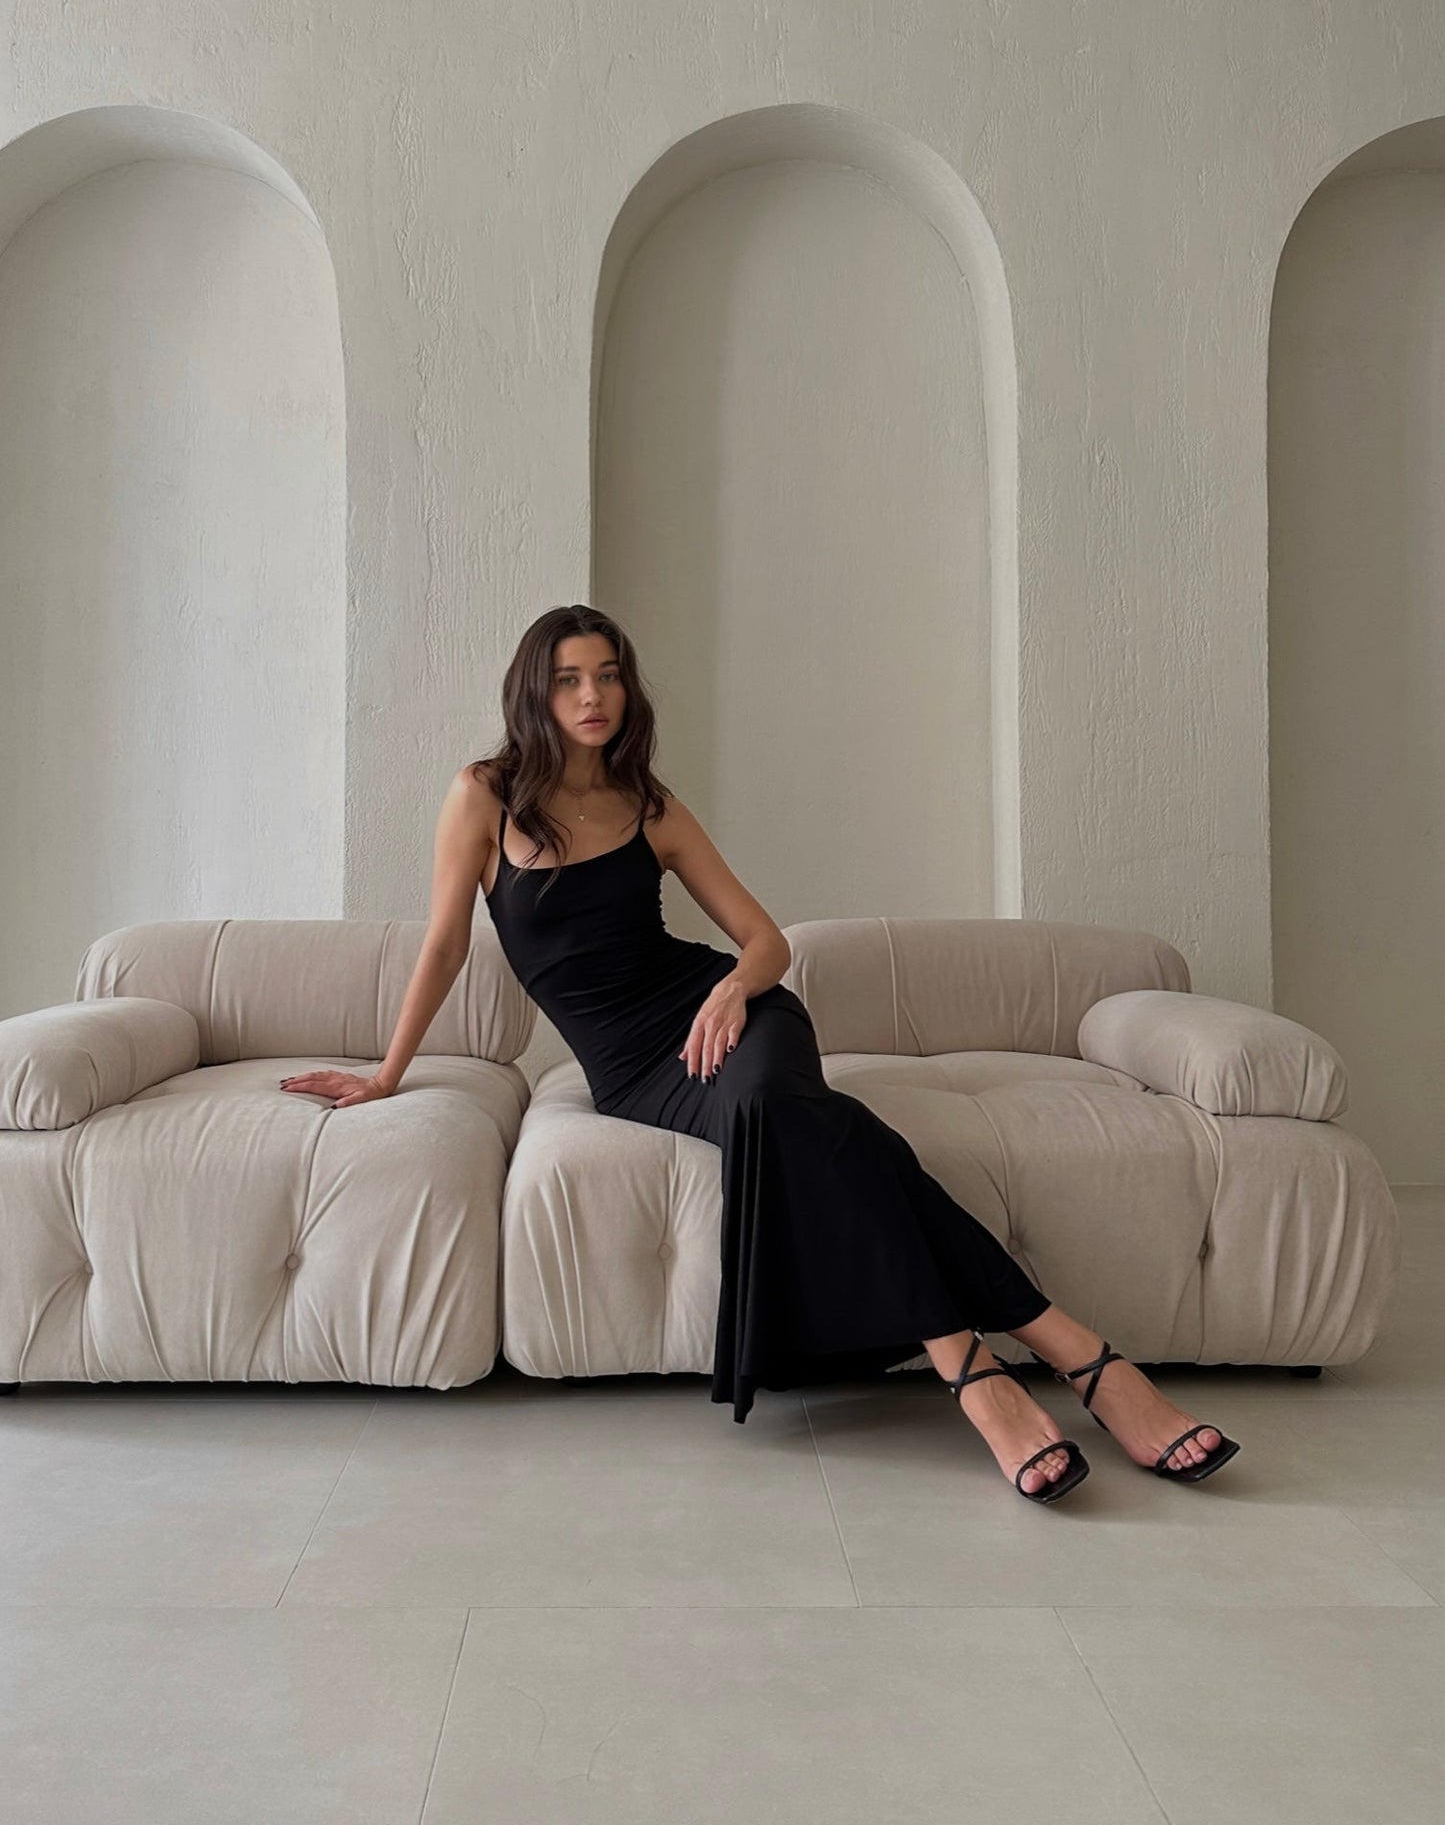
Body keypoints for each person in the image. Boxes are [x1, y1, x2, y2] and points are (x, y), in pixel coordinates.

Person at [281, 605, 1239, 1504]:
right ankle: (1070, 1355)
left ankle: (975, 1371)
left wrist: (736, 988)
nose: (592, 696)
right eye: (568, 679)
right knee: (830, 1128)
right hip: (633, 1067)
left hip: (732, 1017)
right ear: (532, 691)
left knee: (774, 1107)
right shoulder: (483, 796)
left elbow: (765, 941)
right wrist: (387, 1075)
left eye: (608, 675)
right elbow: (446, 945)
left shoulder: (649, 806)